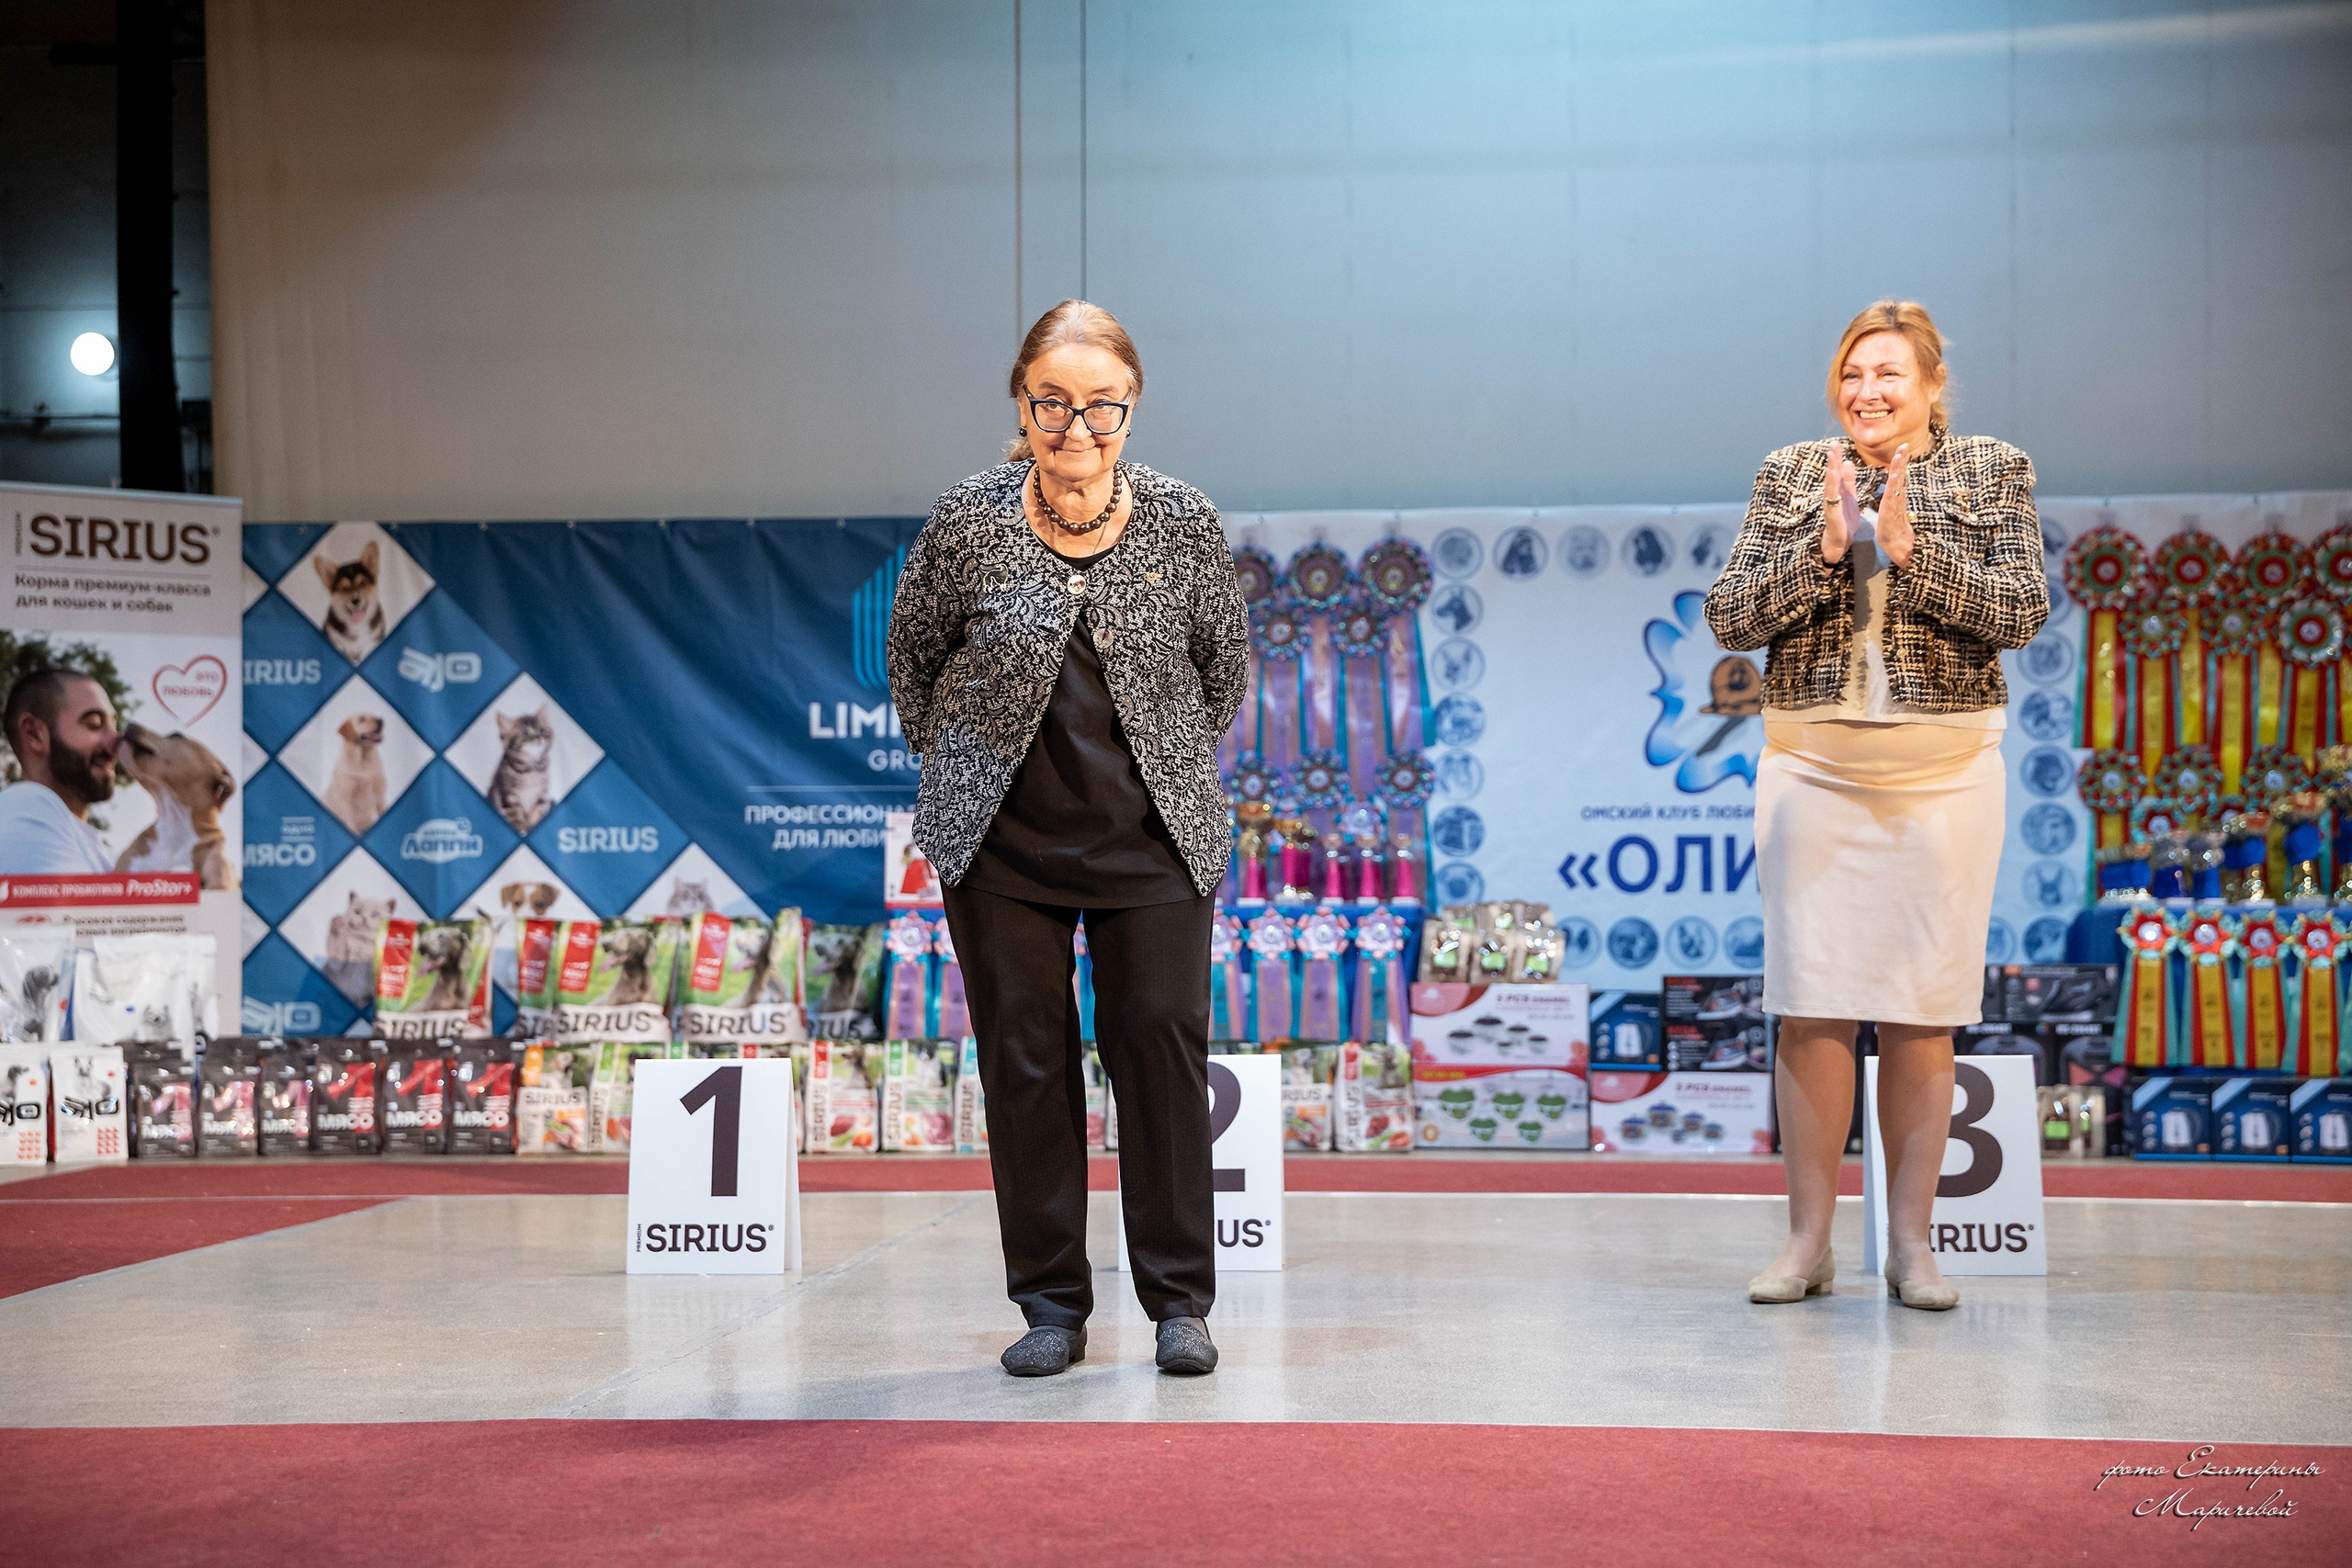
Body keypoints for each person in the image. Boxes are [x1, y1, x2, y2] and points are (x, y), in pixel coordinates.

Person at [888, 299, 1249, 1378]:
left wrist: (1163, 764)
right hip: (1001, 845)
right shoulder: (969, 517)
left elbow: (1221, 673)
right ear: (1021, 401)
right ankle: (1050, 1304)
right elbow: (913, 662)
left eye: (1101, 404)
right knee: (1025, 1063)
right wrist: (970, 768)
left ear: (1131, 409)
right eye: (1053, 401)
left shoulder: (1184, 518)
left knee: (1159, 1054)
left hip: (1154, 840)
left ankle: (1179, 1303)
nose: (1076, 424)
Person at [1702, 299, 2049, 1312]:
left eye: (1889, 375)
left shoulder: (1993, 468)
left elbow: (2021, 612)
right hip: (1811, 768)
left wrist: (1912, 553)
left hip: (1945, 775)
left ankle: (1911, 1246)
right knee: (1809, 1003)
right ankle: (1805, 1244)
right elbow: (1729, 617)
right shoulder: (1789, 473)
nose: (1868, 393)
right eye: (1853, 376)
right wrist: (1820, 553)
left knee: (1922, 1010)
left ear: (1932, 384)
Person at [1, 668, 123, 876]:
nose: (116, 741)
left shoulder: (101, 852)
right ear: (34, 735)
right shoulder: (25, 803)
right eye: (94, 724)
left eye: (114, 724)